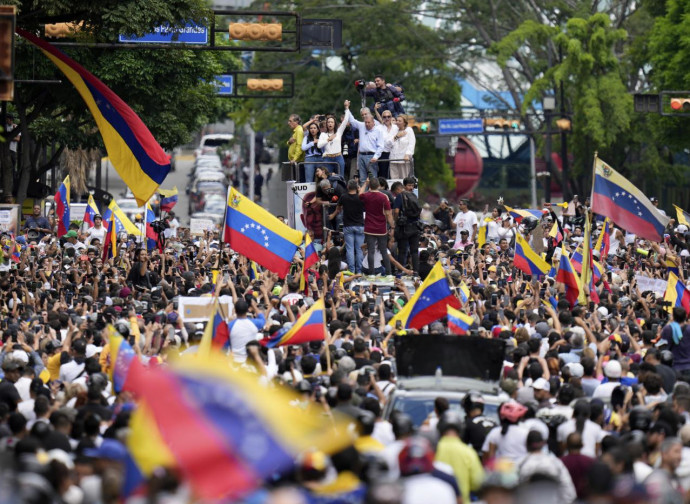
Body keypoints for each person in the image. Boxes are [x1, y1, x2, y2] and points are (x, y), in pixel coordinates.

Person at [517, 431, 577, 504]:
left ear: (526, 445)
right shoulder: (555, 462)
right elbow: (569, 492)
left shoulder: (519, 464)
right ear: (543, 444)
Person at [359, 177, 395, 276]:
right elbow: (388, 214)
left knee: (370, 251)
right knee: (384, 250)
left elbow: (359, 194)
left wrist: (365, 184)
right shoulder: (384, 197)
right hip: (381, 228)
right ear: (379, 186)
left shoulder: (366, 195)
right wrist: (392, 226)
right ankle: (389, 274)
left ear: (370, 186)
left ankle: (371, 274)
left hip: (369, 227)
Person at [330, 179, 365, 274]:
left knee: (350, 249)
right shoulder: (360, 197)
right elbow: (362, 192)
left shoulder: (343, 197)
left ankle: (351, 270)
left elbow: (338, 208)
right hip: (360, 226)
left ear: (348, 187)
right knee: (359, 249)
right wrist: (365, 183)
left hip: (348, 226)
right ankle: (359, 271)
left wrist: (335, 213)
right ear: (357, 188)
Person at [344, 100, 384, 182]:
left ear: (373, 122)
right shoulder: (362, 126)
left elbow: (381, 146)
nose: (367, 124)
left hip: (371, 156)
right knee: (362, 179)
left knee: (373, 179)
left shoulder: (378, 129)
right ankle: (363, 194)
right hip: (361, 156)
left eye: (369, 122)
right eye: (365, 122)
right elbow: (352, 120)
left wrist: (376, 157)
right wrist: (347, 108)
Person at [393, 177, 421, 274]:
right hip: (415, 227)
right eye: (410, 185)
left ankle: (400, 271)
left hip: (404, 227)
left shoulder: (400, 196)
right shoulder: (414, 196)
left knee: (402, 251)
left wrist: (395, 221)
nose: (411, 187)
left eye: (412, 185)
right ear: (405, 185)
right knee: (414, 251)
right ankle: (416, 271)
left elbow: (396, 211)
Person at [318, 113, 348, 178]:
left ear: (334, 124)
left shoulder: (339, 132)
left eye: (332, 122)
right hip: (327, 158)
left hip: (338, 157)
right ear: (326, 124)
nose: (330, 123)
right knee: (327, 177)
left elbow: (345, 121)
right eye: (328, 122)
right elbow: (319, 145)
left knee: (340, 177)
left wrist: (347, 108)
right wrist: (328, 139)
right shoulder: (323, 134)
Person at [388, 115, 416, 179]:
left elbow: (412, 143)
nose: (397, 122)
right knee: (394, 180)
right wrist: (397, 136)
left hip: (403, 159)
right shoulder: (394, 129)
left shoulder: (409, 130)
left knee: (404, 179)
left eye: (399, 121)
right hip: (393, 159)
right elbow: (388, 143)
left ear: (404, 122)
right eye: (397, 120)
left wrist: (407, 154)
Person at [301, 116, 326, 183]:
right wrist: (312, 143)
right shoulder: (306, 137)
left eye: (314, 128)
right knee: (309, 179)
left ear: (318, 130)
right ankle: (309, 193)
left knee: (322, 178)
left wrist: (320, 142)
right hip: (309, 159)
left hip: (320, 158)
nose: (313, 130)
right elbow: (303, 148)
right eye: (311, 128)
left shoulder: (322, 136)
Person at [286, 113, 305, 180]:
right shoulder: (295, 131)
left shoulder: (299, 131)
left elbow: (300, 146)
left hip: (297, 162)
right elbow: (291, 142)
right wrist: (289, 142)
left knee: (298, 182)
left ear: (296, 122)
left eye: (290, 121)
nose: (288, 123)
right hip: (294, 161)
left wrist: (295, 159)